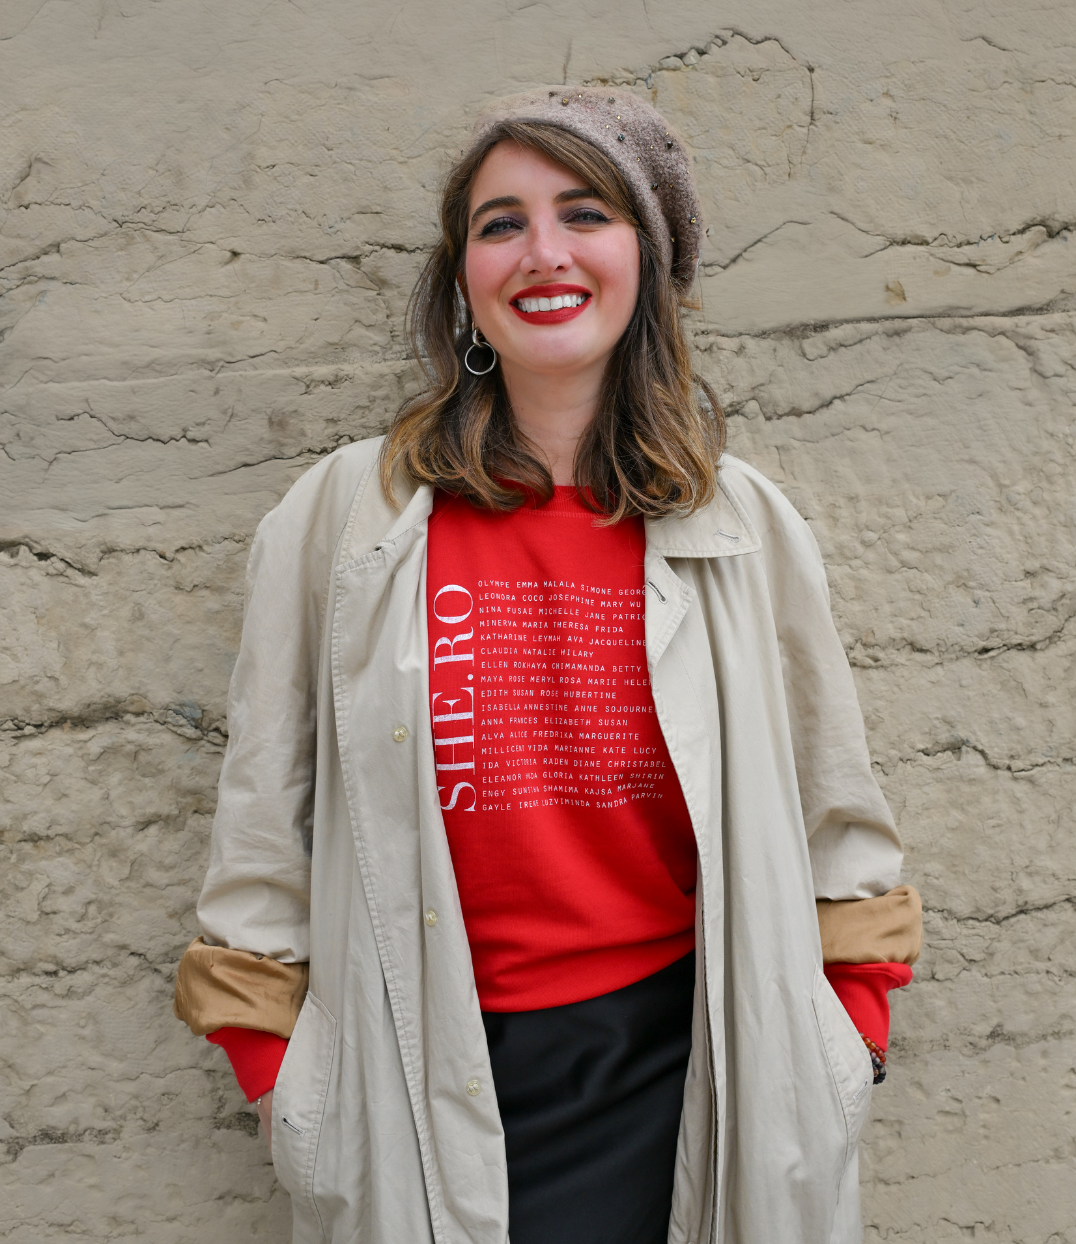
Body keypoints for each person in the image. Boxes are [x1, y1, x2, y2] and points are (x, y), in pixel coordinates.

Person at [173, 87, 922, 1244]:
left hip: (696, 1067)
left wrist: (846, 1037)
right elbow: (262, 819)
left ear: (645, 262)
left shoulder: (738, 521)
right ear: (463, 277)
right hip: (425, 1066)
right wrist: (277, 1073)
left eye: (584, 213)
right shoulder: (345, 516)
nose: (543, 252)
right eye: (500, 222)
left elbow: (839, 814)